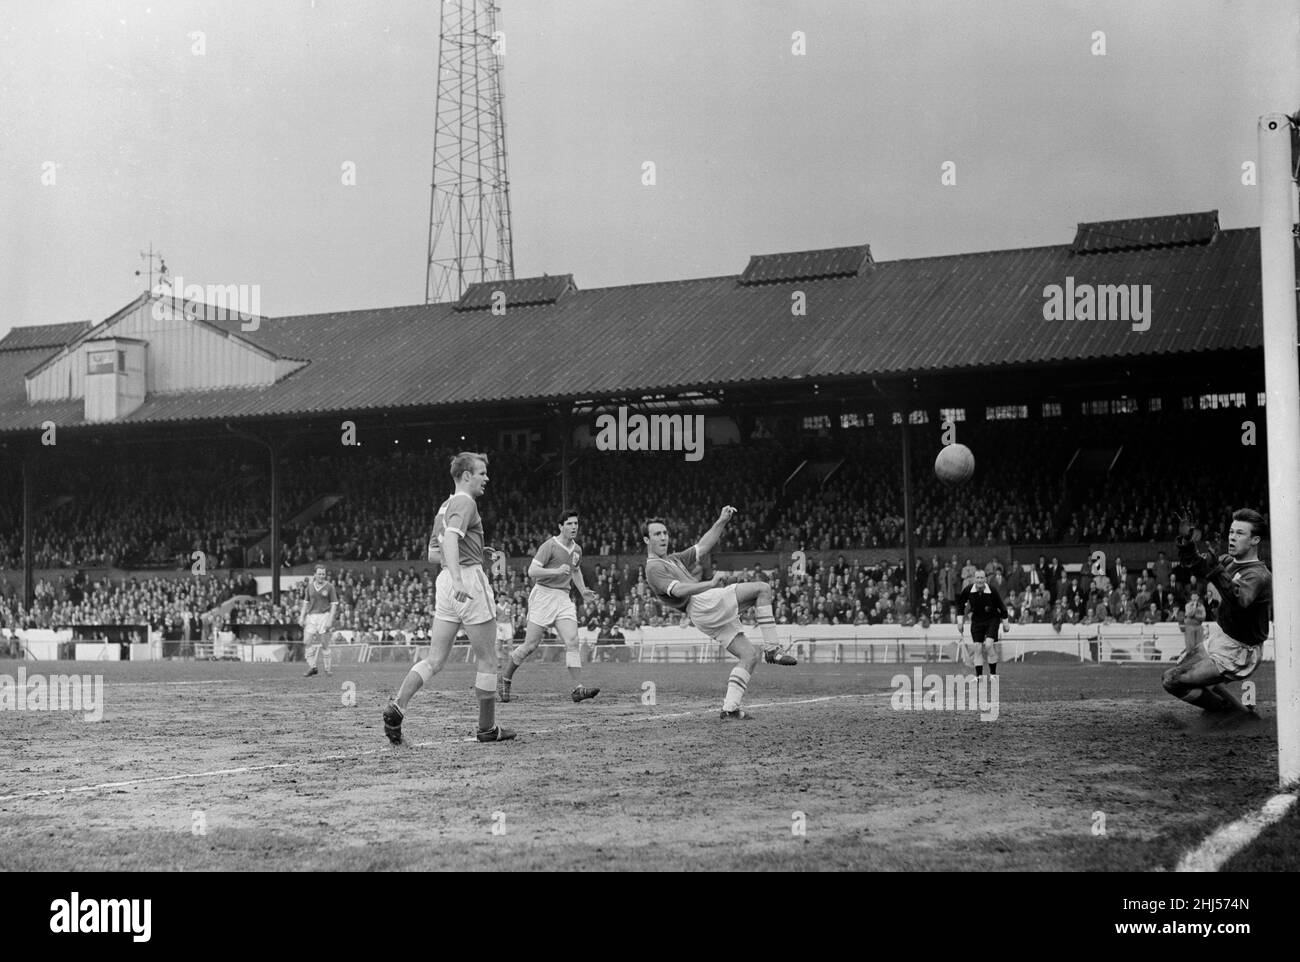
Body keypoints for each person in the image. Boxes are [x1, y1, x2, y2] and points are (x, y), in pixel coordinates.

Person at [382, 452, 514, 745]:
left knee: (435, 658)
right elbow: (452, 540)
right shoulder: (466, 502)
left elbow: (433, 553)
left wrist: (472, 551)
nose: (486, 477)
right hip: (465, 581)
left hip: (444, 584)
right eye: (481, 472)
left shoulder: (444, 507)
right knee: (488, 659)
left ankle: (398, 705)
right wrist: (459, 575)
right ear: (466, 476)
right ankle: (487, 728)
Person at [643, 507, 796, 722]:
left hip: (703, 614)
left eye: (665, 533)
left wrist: (722, 520)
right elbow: (678, 590)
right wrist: (709, 584)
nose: (663, 537)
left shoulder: (673, 559)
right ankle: (773, 648)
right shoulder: (653, 568)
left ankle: (730, 709)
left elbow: (703, 545)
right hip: (701, 603)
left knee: (749, 656)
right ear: (646, 540)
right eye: (657, 534)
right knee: (763, 589)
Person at [1162, 508, 1271, 722]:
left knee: (1171, 680)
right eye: (1231, 531)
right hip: (1222, 637)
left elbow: (1240, 600)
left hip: (1240, 650)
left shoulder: (1258, 574)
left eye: (1240, 533)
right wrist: (1186, 541)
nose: (1232, 537)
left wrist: (1215, 570)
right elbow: (1195, 565)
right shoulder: (1228, 561)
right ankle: (1238, 712)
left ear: (1254, 540)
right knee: (1180, 672)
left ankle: (1223, 713)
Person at [499, 509, 601, 704]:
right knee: (530, 646)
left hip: (563, 597)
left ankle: (578, 688)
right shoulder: (549, 546)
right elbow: (532, 571)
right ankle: (505, 678)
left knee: (572, 641)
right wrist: (556, 571)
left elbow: (575, 570)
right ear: (560, 526)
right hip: (543, 596)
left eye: (576, 524)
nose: (574, 527)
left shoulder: (577, 550)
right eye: (569, 524)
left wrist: (583, 590)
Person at [955, 568, 1009, 677]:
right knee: (977, 647)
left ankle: (993, 674)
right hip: (977, 620)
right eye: (978, 578)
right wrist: (960, 622)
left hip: (992, 619)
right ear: (974, 579)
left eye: (982, 578)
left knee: (989, 645)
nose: (980, 580)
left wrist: (1005, 623)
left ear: (985, 579)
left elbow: (1002, 607)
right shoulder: (968, 590)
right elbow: (960, 606)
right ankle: (978, 677)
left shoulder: (992, 590)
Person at [300, 564, 338, 677]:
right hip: (311, 616)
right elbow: (305, 603)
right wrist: (302, 617)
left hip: (324, 616)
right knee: (306, 641)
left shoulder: (330, 587)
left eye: (323, 574)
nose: (321, 576)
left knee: (324, 644)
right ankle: (313, 667)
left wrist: (330, 620)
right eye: (319, 574)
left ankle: (327, 669)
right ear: (315, 574)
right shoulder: (309, 587)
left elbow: (334, 604)